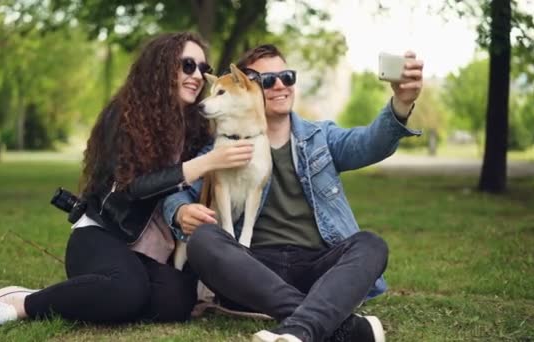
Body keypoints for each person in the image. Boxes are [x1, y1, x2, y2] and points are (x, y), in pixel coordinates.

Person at [0, 32, 255, 333]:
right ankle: (20, 303)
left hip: (149, 253)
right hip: (102, 234)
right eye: (187, 65)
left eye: (202, 67)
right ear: (162, 66)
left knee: (177, 302)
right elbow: (133, 188)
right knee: (127, 291)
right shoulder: (127, 115)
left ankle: (97, 294)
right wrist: (204, 163)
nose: (196, 75)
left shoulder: (196, 128)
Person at [162, 44, 424, 342]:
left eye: (287, 77)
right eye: (268, 80)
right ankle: (334, 324)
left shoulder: (320, 137)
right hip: (252, 270)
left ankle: (298, 328)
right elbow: (179, 191)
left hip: (319, 268)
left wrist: (401, 105)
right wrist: (181, 211)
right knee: (204, 240)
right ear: (247, 88)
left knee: (371, 244)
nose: (280, 86)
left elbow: (369, 143)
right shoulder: (223, 147)